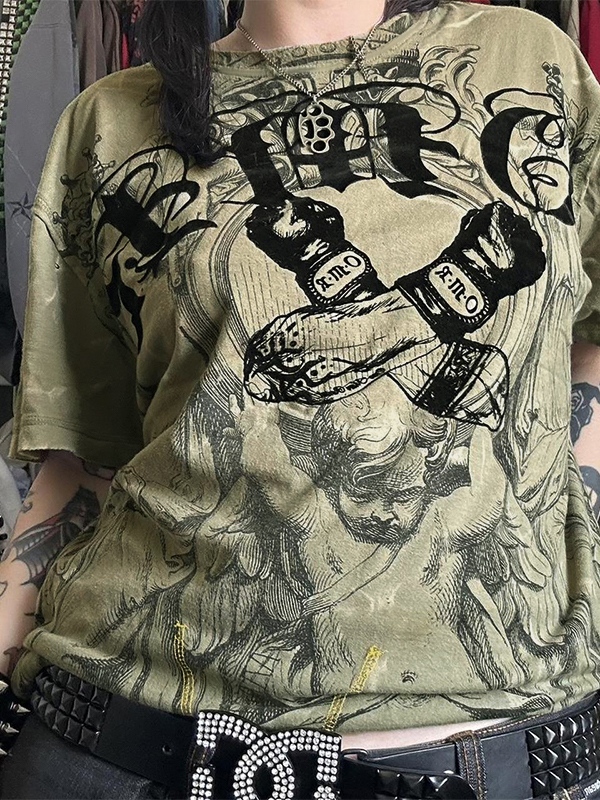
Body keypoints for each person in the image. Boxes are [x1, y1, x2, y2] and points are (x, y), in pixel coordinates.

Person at [0, 0, 600, 797]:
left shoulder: (530, 63)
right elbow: (85, 455)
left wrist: (568, 506)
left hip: (497, 750)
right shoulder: (109, 121)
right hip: (120, 738)